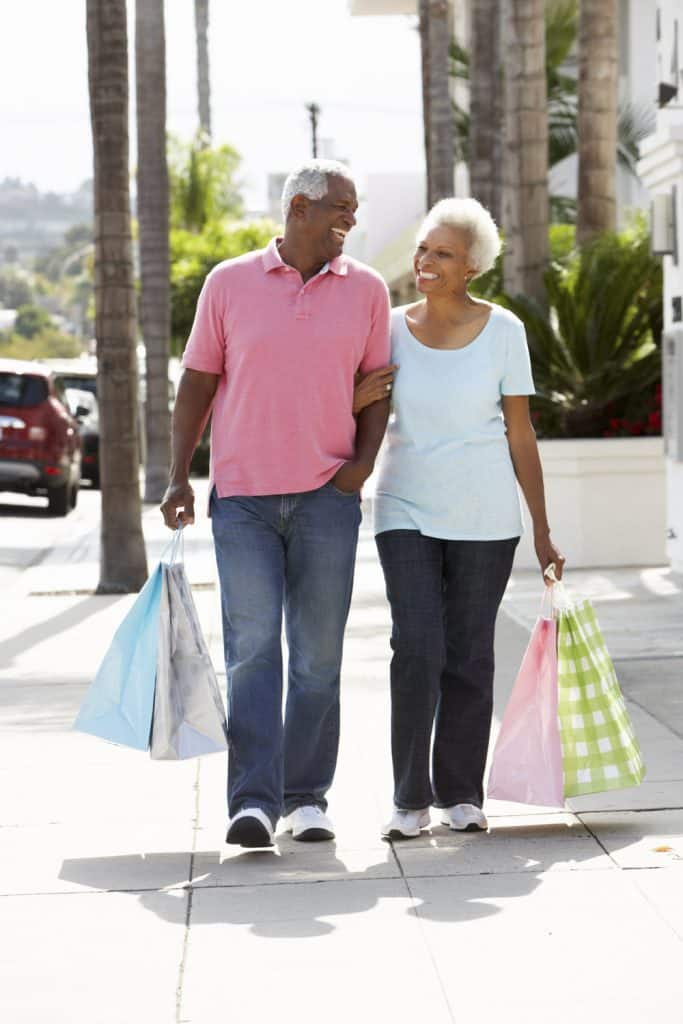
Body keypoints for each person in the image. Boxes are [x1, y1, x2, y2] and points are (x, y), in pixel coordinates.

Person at [160, 159, 392, 849]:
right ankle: (253, 802)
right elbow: (197, 385)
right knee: (253, 653)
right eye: (340, 208)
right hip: (244, 501)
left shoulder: (368, 291)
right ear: (299, 207)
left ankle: (307, 798)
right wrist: (177, 476)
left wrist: (358, 469)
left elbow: (377, 387)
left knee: (317, 657)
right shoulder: (228, 283)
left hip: (328, 499)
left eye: (354, 208)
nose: (350, 219)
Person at [362, 197, 564, 840]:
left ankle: (460, 793)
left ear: (472, 266)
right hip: (405, 507)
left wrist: (542, 525)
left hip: (486, 514)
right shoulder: (388, 327)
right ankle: (408, 799)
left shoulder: (504, 331)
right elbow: (354, 405)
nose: (425, 261)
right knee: (417, 647)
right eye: (424, 248)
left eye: (442, 252)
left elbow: (520, 433)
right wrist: (353, 396)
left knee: (470, 654)